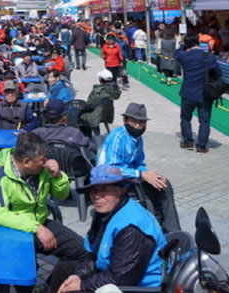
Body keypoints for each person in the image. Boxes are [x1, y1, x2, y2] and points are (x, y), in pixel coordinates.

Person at [0, 132, 88, 293]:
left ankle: (49, 289)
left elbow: (62, 195)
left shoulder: (41, 169)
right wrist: (36, 228)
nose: (46, 162)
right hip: (13, 229)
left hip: (40, 220)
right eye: (42, 160)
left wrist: (58, 176)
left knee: (82, 251)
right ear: (26, 162)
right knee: (26, 275)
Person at [49, 165, 167, 293]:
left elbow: (120, 278)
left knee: (74, 290)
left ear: (122, 190)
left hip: (137, 286)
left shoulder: (132, 228)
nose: (97, 196)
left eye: (105, 190)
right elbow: (94, 256)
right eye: (94, 190)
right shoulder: (106, 212)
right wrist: (77, 276)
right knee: (65, 270)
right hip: (114, 271)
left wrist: (82, 285)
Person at [96, 102, 180, 232]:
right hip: (111, 180)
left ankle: (172, 230)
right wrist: (141, 175)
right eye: (134, 121)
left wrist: (150, 176)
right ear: (125, 120)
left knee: (163, 184)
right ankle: (154, 229)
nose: (138, 126)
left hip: (129, 176)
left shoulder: (137, 138)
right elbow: (111, 169)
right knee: (149, 198)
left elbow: (139, 163)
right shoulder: (118, 138)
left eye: (142, 123)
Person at [175, 33, 221, 153]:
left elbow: (177, 52)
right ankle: (201, 146)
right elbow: (218, 73)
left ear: (187, 44)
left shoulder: (184, 56)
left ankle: (188, 141)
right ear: (199, 42)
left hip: (188, 92)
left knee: (185, 118)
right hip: (205, 93)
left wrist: (183, 45)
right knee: (204, 121)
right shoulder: (209, 57)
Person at [79, 70, 122, 137]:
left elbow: (89, 104)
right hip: (107, 114)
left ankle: (90, 139)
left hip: (97, 115)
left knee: (79, 117)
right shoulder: (113, 88)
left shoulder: (98, 91)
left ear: (100, 79)